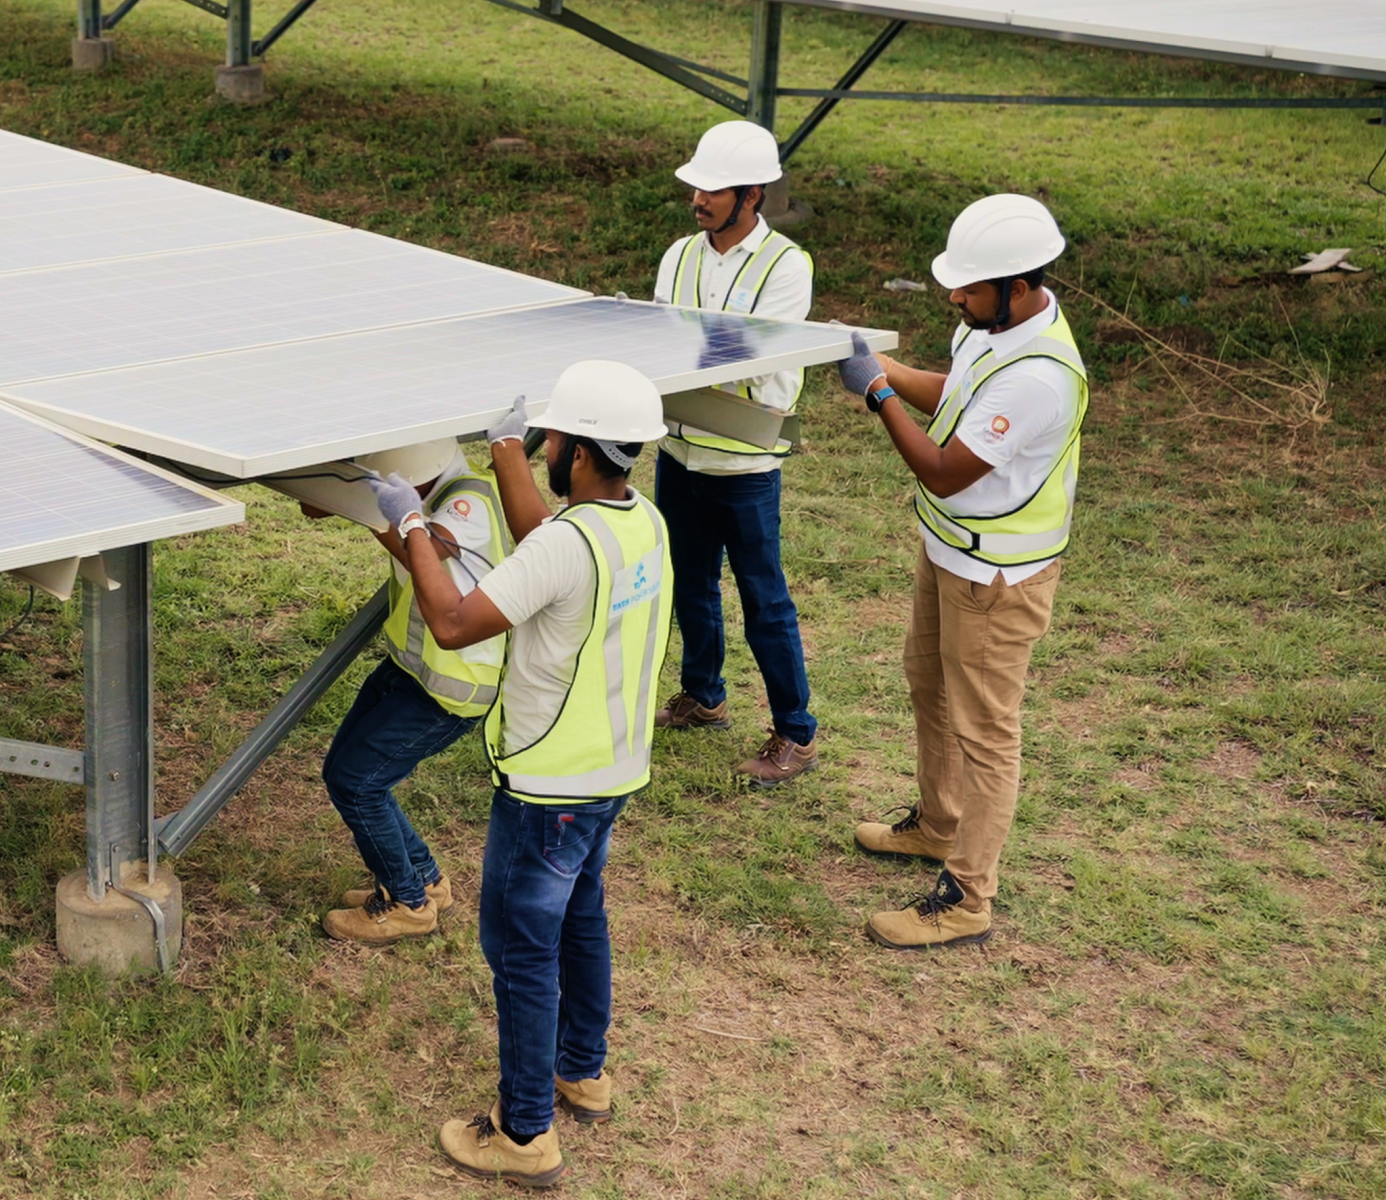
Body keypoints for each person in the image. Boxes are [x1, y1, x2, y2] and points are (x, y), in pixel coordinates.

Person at [364, 362, 671, 1187]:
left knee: (522, 950)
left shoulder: (570, 544)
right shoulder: (639, 522)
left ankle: (525, 1131)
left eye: (547, 443)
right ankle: (582, 1070)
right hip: (609, 774)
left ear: (574, 451)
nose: (541, 456)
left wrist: (413, 530)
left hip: (548, 791)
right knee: (582, 920)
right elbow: (548, 542)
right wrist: (504, 449)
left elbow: (455, 620)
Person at [832, 193, 1086, 950]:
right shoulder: (995, 326)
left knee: (984, 732)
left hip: (994, 581)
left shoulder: (1039, 375)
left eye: (969, 288)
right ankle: (938, 825)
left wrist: (877, 394)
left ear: (1018, 285)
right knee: (926, 684)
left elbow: (945, 469)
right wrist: (893, 370)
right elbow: (962, 398)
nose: (954, 297)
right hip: (950, 553)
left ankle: (969, 896)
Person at [316, 426, 548, 944]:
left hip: (449, 692)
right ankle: (424, 880)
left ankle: (408, 903)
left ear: (416, 479)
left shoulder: (463, 507)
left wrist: (386, 516)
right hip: (412, 668)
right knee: (346, 774)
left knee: (358, 783)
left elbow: (425, 552)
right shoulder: (437, 488)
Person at [649, 119, 821, 786]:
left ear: (752, 195)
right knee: (687, 585)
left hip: (744, 464)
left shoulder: (786, 266)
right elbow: (672, 343)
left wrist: (687, 351)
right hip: (679, 451)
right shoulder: (678, 255)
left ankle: (795, 734)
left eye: (713, 190)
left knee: (763, 601)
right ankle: (704, 695)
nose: (698, 198)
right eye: (695, 186)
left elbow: (754, 354)